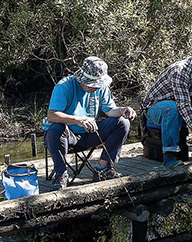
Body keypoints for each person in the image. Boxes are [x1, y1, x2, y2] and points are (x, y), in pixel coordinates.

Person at [43, 56, 136, 188]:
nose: (96, 87)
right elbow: (52, 115)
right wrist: (78, 120)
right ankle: (61, 175)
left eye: (98, 84)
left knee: (122, 123)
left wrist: (122, 110)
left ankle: (103, 169)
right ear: (82, 78)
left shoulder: (101, 88)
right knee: (56, 128)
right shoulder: (64, 86)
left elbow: (110, 110)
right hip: (67, 136)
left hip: (90, 132)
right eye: (93, 84)